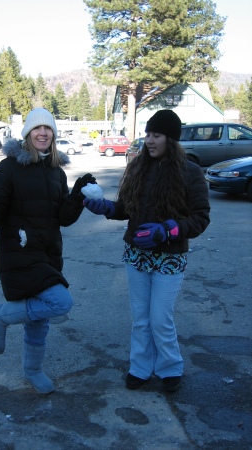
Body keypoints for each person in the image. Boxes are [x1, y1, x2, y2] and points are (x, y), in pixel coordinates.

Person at [0, 108, 95, 394]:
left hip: (48, 253)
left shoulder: (57, 172)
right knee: (60, 302)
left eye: (48, 129)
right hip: (19, 250)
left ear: (54, 135)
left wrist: (77, 195)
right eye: (37, 129)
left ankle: (32, 370)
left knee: (39, 318)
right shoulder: (10, 167)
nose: (43, 133)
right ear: (27, 134)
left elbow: (63, 217)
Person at [84, 110, 210, 393]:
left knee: (159, 318)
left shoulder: (189, 172)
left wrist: (167, 230)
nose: (149, 141)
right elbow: (125, 208)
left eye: (157, 135)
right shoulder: (138, 166)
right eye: (148, 134)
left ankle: (170, 367)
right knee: (140, 318)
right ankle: (140, 367)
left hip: (170, 257)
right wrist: (106, 207)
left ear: (171, 139)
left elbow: (201, 218)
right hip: (137, 254)